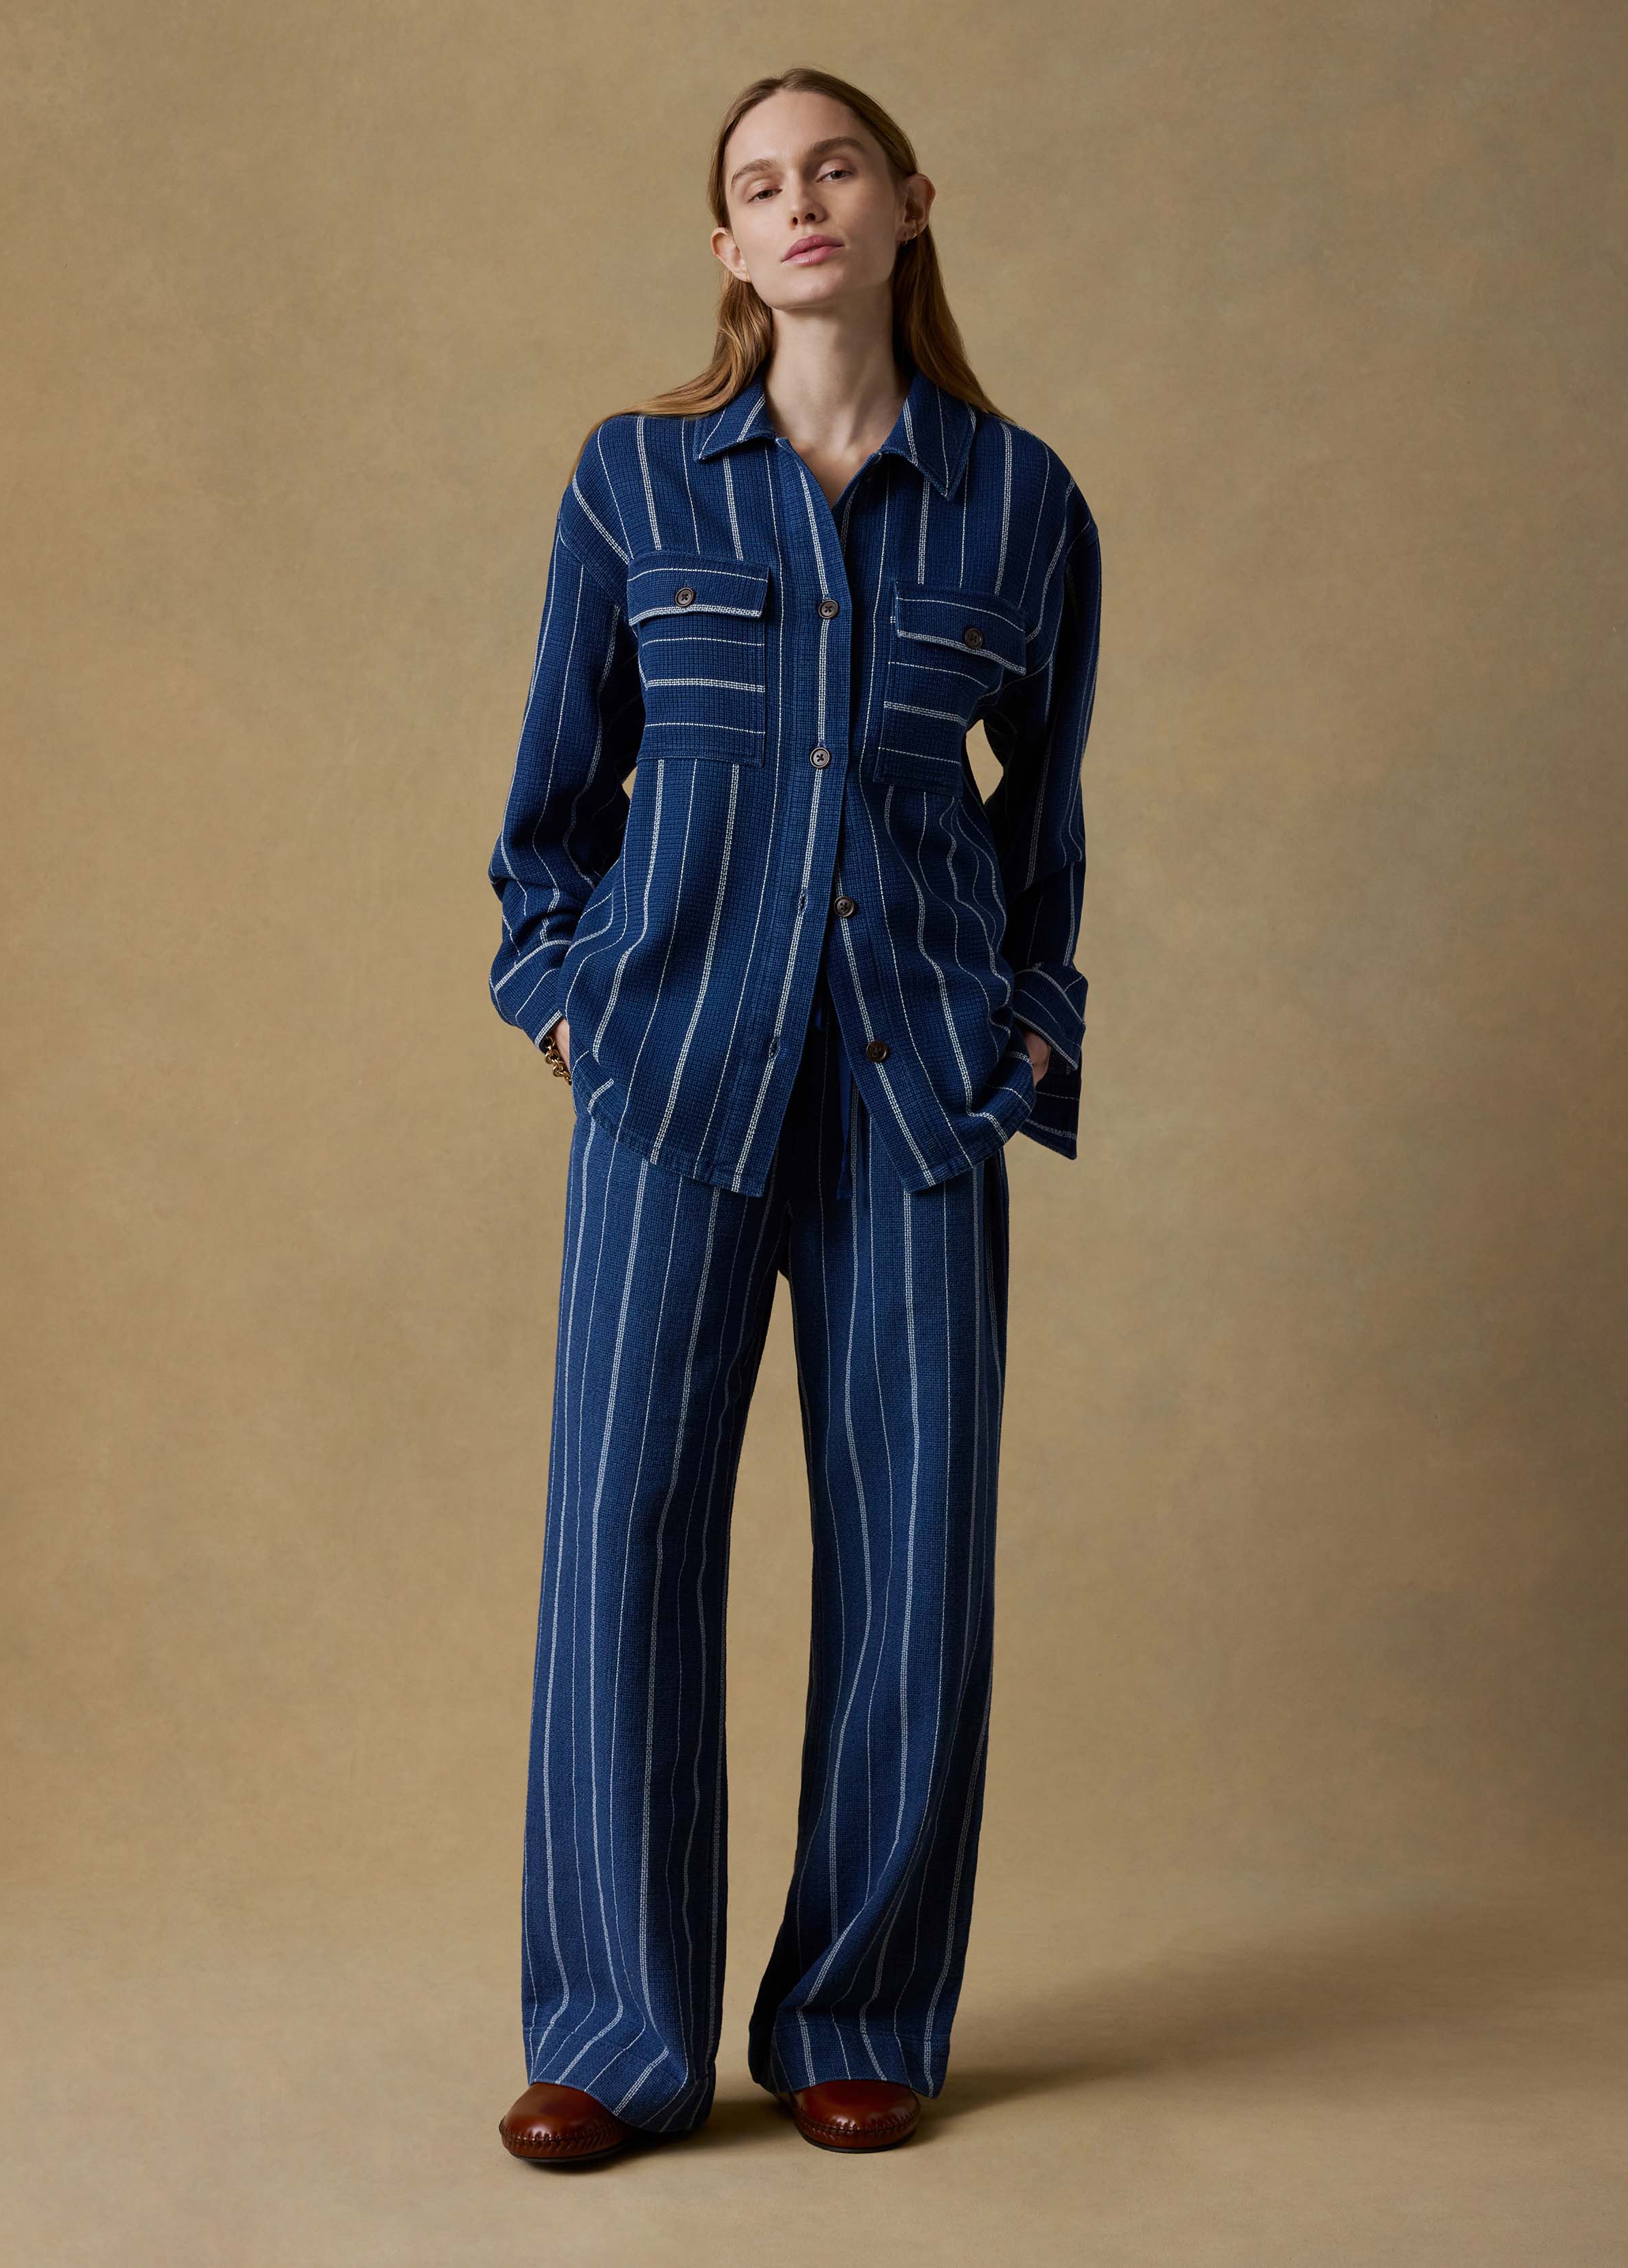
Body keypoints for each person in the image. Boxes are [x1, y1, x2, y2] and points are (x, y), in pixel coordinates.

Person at [487, 63, 1101, 2164]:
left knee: (915, 1564)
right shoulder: (633, 484)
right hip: (668, 1086)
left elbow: (1052, 823)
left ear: (909, 202)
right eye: (758, 182)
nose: (799, 199)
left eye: (832, 162)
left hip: (915, 1096)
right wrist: (567, 1005)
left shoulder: (1022, 505)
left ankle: (859, 2013)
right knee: (621, 1549)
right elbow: (546, 820)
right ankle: (612, 2038)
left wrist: (1025, 1034)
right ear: (729, 249)